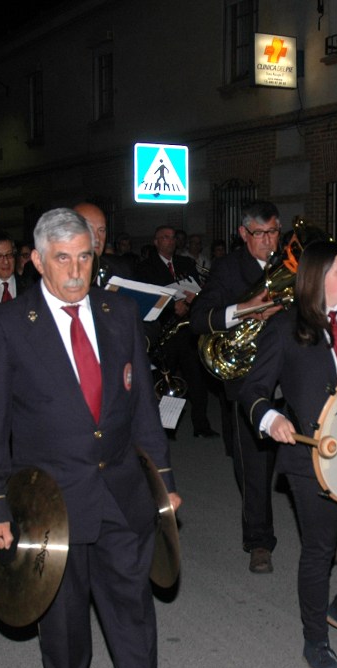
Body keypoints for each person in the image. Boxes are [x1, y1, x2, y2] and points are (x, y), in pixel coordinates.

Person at [0, 207, 196, 668]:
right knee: (65, 613)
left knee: (132, 605)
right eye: (62, 259)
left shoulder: (119, 314)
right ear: (36, 261)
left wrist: (162, 481)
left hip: (121, 488)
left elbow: (142, 407)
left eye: (84, 257)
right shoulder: (7, 326)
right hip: (52, 499)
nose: (75, 271)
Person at [239, 239, 337, 668]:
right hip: (312, 458)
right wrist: (271, 418)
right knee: (320, 550)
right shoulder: (286, 327)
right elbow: (253, 390)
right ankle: (315, 637)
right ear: (317, 276)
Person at [190, 200, 285, 573]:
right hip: (249, 379)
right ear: (244, 233)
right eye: (260, 233)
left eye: (273, 231)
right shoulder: (228, 268)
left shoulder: (289, 264)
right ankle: (259, 541)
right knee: (254, 467)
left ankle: (322, 535)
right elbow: (199, 318)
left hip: (290, 374)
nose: (268, 240)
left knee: (304, 461)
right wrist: (247, 309)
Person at [133, 225, 217, 438]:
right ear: (156, 242)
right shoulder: (145, 267)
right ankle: (167, 428)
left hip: (187, 330)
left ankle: (201, 425)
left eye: (172, 237)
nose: (171, 241)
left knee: (197, 378)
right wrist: (172, 306)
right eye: (165, 237)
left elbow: (197, 289)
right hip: (164, 331)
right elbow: (146, 296)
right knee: (167, 380)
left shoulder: (185, 263)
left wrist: (189, 303)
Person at [72, 202, 134, 288]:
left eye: (101, 230)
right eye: (89, 229)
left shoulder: (119, 271)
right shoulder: (57, 272)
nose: (97, 238)